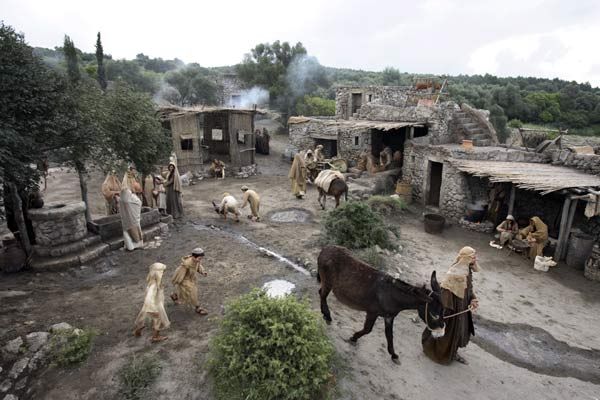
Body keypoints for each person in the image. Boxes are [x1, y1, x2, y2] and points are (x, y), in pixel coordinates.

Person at [422, 246, 480, 365]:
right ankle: (437, 353)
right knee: (447, 333)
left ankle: (453, 352)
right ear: (466, 259)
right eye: (473, 257)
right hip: (452, 309)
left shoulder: (467, 270)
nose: (475, 259)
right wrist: (448, 311)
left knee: (460, 331)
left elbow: (468, 288)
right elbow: (445, 292)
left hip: (463, 306)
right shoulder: (453, 274)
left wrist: (473, 299)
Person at [134, 262, 170, 343]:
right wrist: (153, 309)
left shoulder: (153, 282)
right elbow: (149, 298)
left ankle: (138, 330)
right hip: (154, 306)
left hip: (152, 305)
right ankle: (155, 336)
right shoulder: (153, 286)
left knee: (144, 318)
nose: (163, 274)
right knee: (158, 321)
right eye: (162, 272)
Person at [171, 248, 209, 315]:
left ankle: (175, 295)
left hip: (191, 279)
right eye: (199, 258)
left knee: (184, 292)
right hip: (184, 280)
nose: (200, 260)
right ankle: (198, 307)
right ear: (194, 257)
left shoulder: (196, 261)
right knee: (192, 293)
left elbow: (198, 266)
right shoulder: (186, 264)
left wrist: (202, 272)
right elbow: (179, 273)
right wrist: (178, 281)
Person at [119, 186, 144, 251]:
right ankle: (136, 245)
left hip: (127, 219)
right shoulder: (132, 198)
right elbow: (139, 203)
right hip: (133, 219)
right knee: (134, 231)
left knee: (127, 232)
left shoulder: (121, 198)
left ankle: (130, 246)